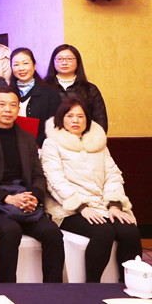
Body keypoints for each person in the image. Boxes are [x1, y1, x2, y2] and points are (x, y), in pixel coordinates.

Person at [0, 86, 64, 283]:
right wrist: (7, 198)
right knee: (11, 231)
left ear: (18, 109)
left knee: (53, 233)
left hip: (26, 201)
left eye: (13, 105)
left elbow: (38, 175)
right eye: (2, 104)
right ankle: (8, 288)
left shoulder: (27, 137)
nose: (7, 109)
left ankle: (53, 291)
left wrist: (33, 197)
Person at [41, 97, 140, 282]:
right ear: (61, 118)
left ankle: (130, 283)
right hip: (68, 209)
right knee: (103, 232)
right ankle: (92, 286)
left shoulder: (98, 144)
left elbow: (113, 175)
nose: (75, 120)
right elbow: (54, 181)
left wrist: (114, 204)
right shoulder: (52, 144)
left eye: (81, 116)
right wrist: (81, 206)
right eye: (70, 116)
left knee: (129, 231)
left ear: (87, 119)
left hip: (102, 206)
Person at [44, 44, 108, 133]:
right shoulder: (44, 87)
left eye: (69, 59)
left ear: (77, 61)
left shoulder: (90, 89)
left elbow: (100, 121)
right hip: (51, 138)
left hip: (83, 139)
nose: (64, 62)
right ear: (53, 62)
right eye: (60, 59)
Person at [8, 48, 61, 147]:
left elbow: (55, 124)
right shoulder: (6, 93)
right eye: (16, 64)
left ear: (34, 65)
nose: (21, 68)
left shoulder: (50, 93)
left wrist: (36, 144)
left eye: (25, 63)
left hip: (41, 147)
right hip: (11, 146)